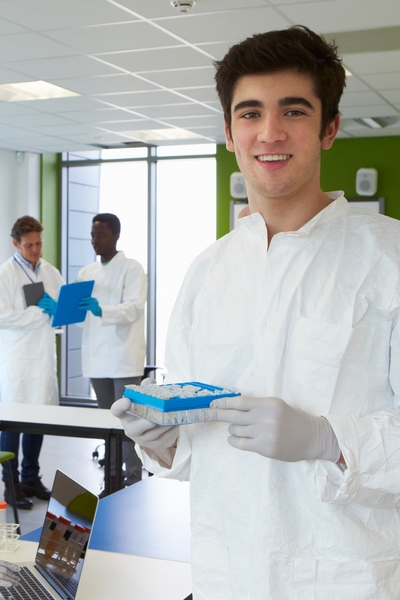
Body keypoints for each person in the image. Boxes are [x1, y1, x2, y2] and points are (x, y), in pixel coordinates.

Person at [112, 25, 400, 599]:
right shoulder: (207, 274)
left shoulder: (387, 259)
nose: (270, 132)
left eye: (294, 111)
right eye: (249, 113)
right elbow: (199, 452)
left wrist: (327, 439)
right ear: (228, 132)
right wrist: (160, 441)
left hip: (346, 579)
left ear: (329, 129)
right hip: (227, 573)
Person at [78, 213, 147, 494]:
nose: (95, 240)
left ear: (116, 235)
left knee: (127, 422)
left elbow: (134, 308)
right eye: (92, 235)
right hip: (97, 359)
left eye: (101, 235)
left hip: (123, 358)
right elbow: (75, 310)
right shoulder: (86, 272)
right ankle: (111, 479)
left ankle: (133, 480)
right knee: (106, 423)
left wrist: (102, 309)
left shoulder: (132, 268)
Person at [0, 216, 64, 510]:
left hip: (41, 358)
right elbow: (3, 317)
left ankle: (30, 477)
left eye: (39, 243)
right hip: (17, 360)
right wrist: (40, 313)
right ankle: (10, 484)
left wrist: (59, 312)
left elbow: (62, 319)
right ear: (16, 243)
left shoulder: (51, 272)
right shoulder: (6, 274)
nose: (36, 250)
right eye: (29, 245)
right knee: (12, 424)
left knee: (38, 420)